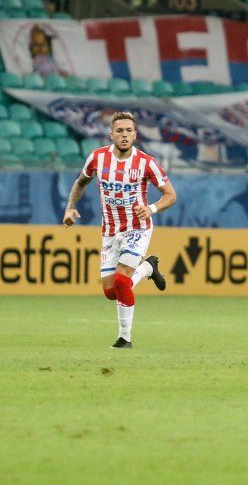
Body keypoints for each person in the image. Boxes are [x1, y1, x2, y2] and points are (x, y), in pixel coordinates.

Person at [63, 110, 175, 348]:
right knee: (110, 291)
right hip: (110, 231)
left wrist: (152, 209)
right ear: (111, 134)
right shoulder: (97, 158)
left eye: (129, 130)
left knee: (122, 283)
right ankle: (148, 267)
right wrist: (70, 208)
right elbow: (81, 182)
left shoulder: (146, 162)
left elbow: (170, 195)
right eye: (119, 130)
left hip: (137, 228)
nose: (124, 135)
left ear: (135, 134)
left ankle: (125, 338)